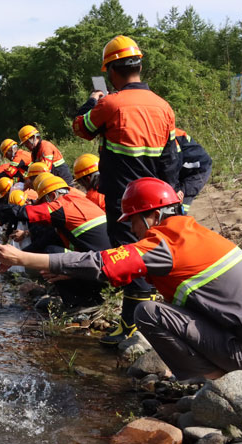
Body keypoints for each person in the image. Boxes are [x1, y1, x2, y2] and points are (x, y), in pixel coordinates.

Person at [0, 177, 242, 382]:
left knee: (148, 312)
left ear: (154, 216)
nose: (132, 229)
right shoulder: (194, 234)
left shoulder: (165, 245)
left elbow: (100, 263)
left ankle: (213, 381)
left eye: (133, 221)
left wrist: (22, 258)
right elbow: (125, 273)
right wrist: (69, 271)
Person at [72, 35, 181, 345]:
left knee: (130, 257)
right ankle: (152, 319)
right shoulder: (163, 106)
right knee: (153, 251)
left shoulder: (110, 104)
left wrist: (93, 100)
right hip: (156, 197)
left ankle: (132, 326)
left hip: (125, 197)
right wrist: (171, 196)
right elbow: (171, 158)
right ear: (139, 66)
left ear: (111, 72)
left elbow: (80, 128)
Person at [0, 173, 110, 308]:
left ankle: (81, 304)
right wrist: (15, 259)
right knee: (51, 249)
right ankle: (82, 295)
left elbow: (21, 212)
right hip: (107, 264)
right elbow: (47, 239)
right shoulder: (78, 201)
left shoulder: (61, 207)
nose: (43, 205)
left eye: (43, 201)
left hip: (100, 270)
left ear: (52, 195)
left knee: (52, 254)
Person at [175, 128, 212, 213]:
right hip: (184, 169)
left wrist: (175, 188)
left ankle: (180, 217)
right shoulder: (170, 132)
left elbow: (172, 166)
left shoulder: (170, 136)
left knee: (179, 202)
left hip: (197, 170)